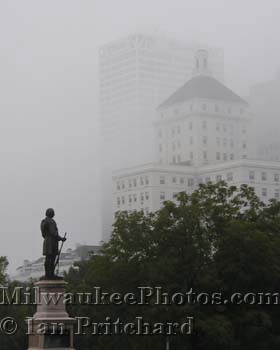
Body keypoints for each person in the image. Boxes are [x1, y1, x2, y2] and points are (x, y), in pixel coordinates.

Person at [40, 208, 66, 279]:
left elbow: (43, 234)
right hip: (52, 242)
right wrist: (61, 238)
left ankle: (47, 274)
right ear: (51, 213)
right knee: (51, 258)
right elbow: (53, 233)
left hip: (46, 241)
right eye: (53, 213)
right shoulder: (51, 221)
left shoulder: (43, 221)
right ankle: (51, 274)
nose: (54, 214)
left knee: (48, 258)